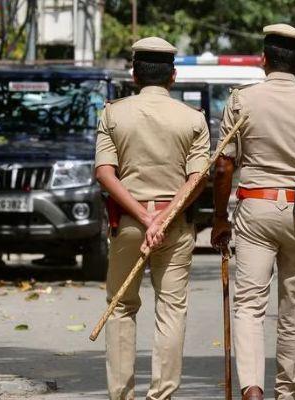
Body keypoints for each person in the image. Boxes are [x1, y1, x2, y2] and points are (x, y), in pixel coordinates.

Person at [211, 24, 295, 400]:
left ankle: (252, 389)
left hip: (255, 208)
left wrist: (220, 218)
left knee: (249, 305)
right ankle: (287, 393)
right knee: (294, 307)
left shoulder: (242, 101)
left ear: (264, 60)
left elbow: (223, 167)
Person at [95, 36, 210, 400]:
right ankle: (161, 395)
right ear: (173, 77)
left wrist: (145, 217)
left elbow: (105, 174)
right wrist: (161, 217)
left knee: (120, 307)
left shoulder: (113, 113)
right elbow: (198, 179)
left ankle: (121, 395)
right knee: (171, 309)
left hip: (129, 224)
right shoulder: (193, 120)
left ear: (134, 74)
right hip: (173, 227)